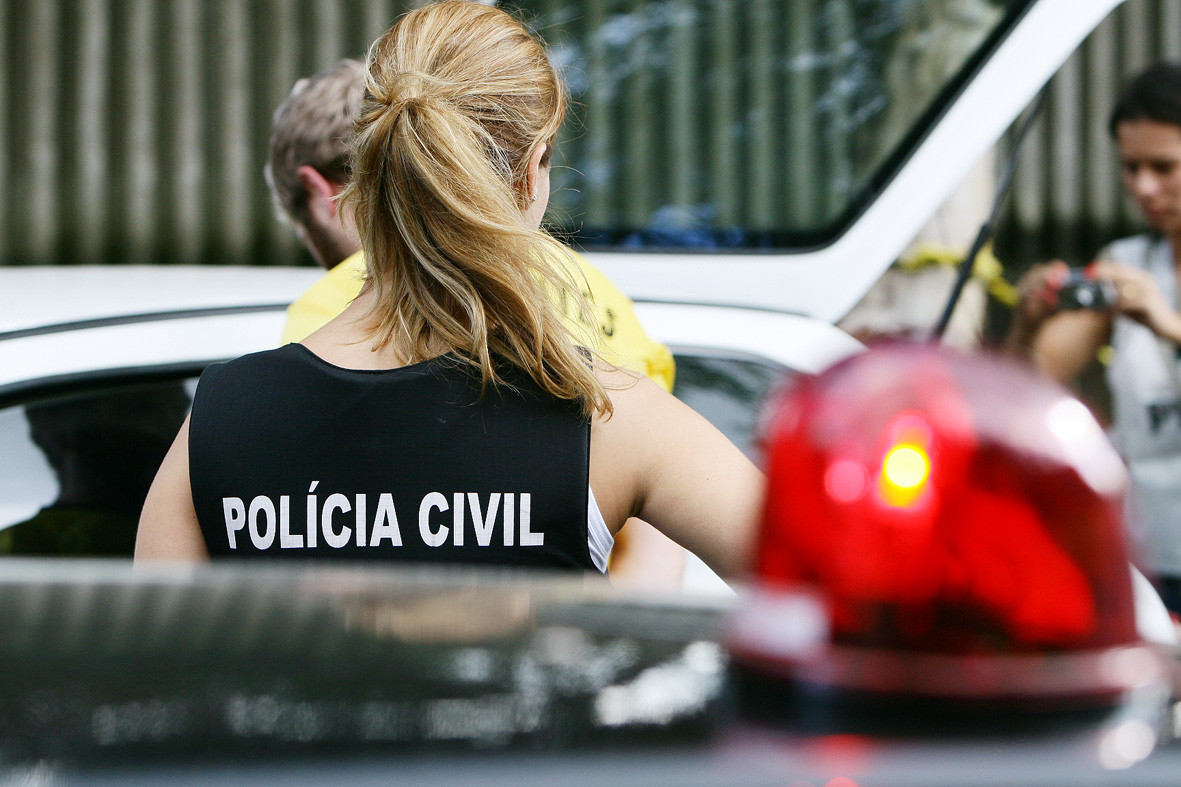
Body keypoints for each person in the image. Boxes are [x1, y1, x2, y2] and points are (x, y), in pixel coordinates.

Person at [135, 0, 761, 579]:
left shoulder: (218, 423)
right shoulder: (605, 418)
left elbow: (149, 655)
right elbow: (814, 583)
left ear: (372, 167)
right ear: (531, 174)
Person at [265, 57, 684, 589]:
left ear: (320, 191)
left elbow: (316, 511)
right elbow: (653, 520)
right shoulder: (589, 282)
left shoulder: (325, 307)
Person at [1008, 62, 1181, 612]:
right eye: (1131, 168)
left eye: (1164, 167)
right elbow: (1030, 386)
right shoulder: (1127, 266)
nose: (1144, 187)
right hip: (1147, 560)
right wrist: (1029, 320)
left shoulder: (1145, 294)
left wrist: (1166, 323)